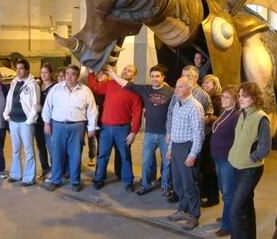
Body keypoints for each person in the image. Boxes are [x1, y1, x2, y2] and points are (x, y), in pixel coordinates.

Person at [107, 64, 174, 197]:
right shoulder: (145, 90)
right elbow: (126, 85)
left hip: (165, 134)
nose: (154, 79)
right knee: (146, 161)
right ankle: (145, 185)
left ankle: (166, 186)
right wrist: (112, 74)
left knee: (167, 162)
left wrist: (171, 133)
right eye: (152, 76)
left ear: (163, 77)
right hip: (149, 133)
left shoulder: (171, 92)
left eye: (157, 76)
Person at [42, 64, 98, 192]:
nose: (69, 76)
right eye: (67, 73)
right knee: (57, 155)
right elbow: (47, 107)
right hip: (58, 126)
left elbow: (92, 110)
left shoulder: (85, 91)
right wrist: (46, 123)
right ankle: (56, 180)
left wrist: (92, 128)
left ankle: (75, 181)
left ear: (77, 76)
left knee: (75, 155)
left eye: (73, 74)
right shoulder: (56, 89)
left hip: (77, 126)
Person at [88, 65, 143, 192]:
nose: (125, 71)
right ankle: (99, 179)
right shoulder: (110, 83)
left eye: (129, 71)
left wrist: (134, 132)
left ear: (133, 76)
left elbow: (138, 113)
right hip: (106, 128)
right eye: (124, 69)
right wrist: (91, 74)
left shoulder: (135, 91)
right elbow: (95, 88)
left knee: (125, 156)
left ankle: (128, 181)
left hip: (123, 129)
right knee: (102, 155)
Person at [228, 82, 271, 239]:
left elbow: (265, 148)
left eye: (244, 96)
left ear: (254, 97)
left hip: (250, 170)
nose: (241, 99)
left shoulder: (261, 118)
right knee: (246, 207)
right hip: (236, 166)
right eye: (239, 96)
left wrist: (251, 158)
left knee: (235, 211)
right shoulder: (242, 114)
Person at [166, 65, 213, 203]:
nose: (177, 89)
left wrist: (193, 152)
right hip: (176, 143)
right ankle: (182, 205)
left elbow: (206, 118)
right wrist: (170, 138)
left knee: (190, 180)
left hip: (190, 142)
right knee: (178, 179)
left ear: (195, 78)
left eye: (188, 76)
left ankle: (193, 211)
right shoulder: (177, 99)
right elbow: (171, 115)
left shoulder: (200, 98)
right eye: (183, 75)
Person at [166, 76, 205, 231]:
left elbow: (199, 133)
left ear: (189, 89)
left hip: (187, 148)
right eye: (176, 86)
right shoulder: (177, 104)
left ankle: (194, 215)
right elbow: (174, 128)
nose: (177, 89)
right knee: (177, 183)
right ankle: (183, 209)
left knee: (189, 184)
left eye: (181, 87)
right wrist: (170, 149)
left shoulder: (195, 107)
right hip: (176, 146)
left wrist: (193, 154)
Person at [3, 58, 40, 186]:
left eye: (21, 68)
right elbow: (9, 100)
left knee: (29, 151)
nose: (18, 71)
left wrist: (30, 120)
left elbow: (36, 104)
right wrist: (6, 114)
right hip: (13, 121)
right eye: (17, 68)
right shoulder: (14, 82)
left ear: (27, 70)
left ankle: (29, 178)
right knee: (15, 150)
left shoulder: (33, 84)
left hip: (26, 123)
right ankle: (15, 174)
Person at [210, 85, 240, 237]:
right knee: (223, 190)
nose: (223, 99)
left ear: (235, 100)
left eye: (227, 97)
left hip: (227, 161)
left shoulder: (236, 116)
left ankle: (227, 225)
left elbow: (238, 140)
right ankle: (227, 215)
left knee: (228, 193)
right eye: (223, 97)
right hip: (218, 159)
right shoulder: (224, 112)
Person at [200, 74, 223, 208]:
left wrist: (210, 118)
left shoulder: (218, 99)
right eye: (204, 83)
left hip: (213, 136)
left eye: (209, 83)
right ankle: (205, 192)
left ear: (215, 85)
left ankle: (213, 197)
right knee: (203, 166)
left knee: (210, 168)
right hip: (204, 134)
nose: (206, 85)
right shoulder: (204, 98)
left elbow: (222, 118)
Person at [35, 63, 55, 178]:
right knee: (40, 146)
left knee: (51, 146)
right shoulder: (37, 86)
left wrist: (42, 109)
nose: (43, 75)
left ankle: (54, 170)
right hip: (38, 122)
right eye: (41, 72)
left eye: (46, 72)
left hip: (49, 122)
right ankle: (45, 168)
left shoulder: (55, 87)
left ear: (50, 73)